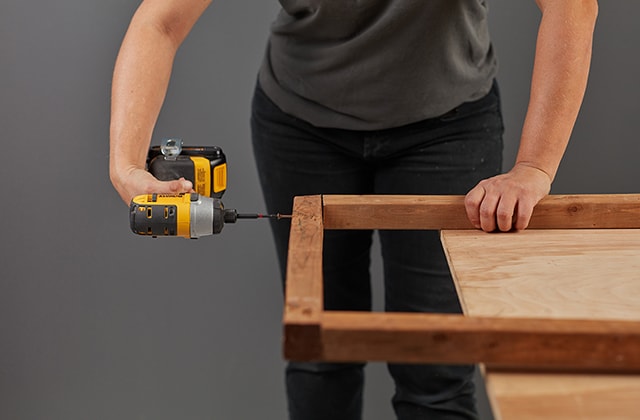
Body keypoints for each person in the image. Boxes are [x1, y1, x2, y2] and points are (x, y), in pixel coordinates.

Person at [109, 1, 598, 419]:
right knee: (320, 356)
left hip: (446, 128)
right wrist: (126, 165)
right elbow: (161, 20)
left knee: (437, 371)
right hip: (302, 127)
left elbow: (572, 5)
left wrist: (534, 167)